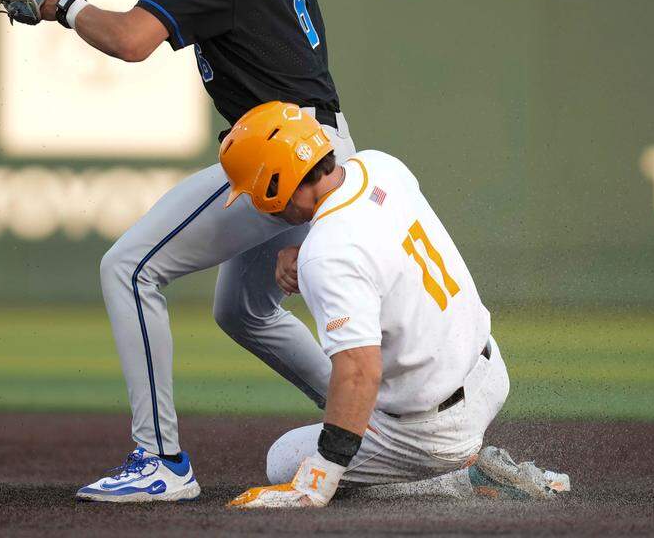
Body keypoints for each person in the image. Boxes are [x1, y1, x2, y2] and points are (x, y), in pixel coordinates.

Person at [0, 0, 355, 503]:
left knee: (129, 268)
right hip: (324, 142)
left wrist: (63, 3)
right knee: (244, 312)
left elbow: (133, 41)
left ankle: (160, 460)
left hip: (283, 150)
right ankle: (373, 425)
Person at [217, 103, 570, 508]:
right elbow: (372, 245)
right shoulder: (379, 166)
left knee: (283, 459)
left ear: (276, 184)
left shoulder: (327, 253)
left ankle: (459, 479)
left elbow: (359, 373)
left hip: (433, 430)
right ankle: (458, 462)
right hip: (489, 372)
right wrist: (313, 254)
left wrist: (319, 477)